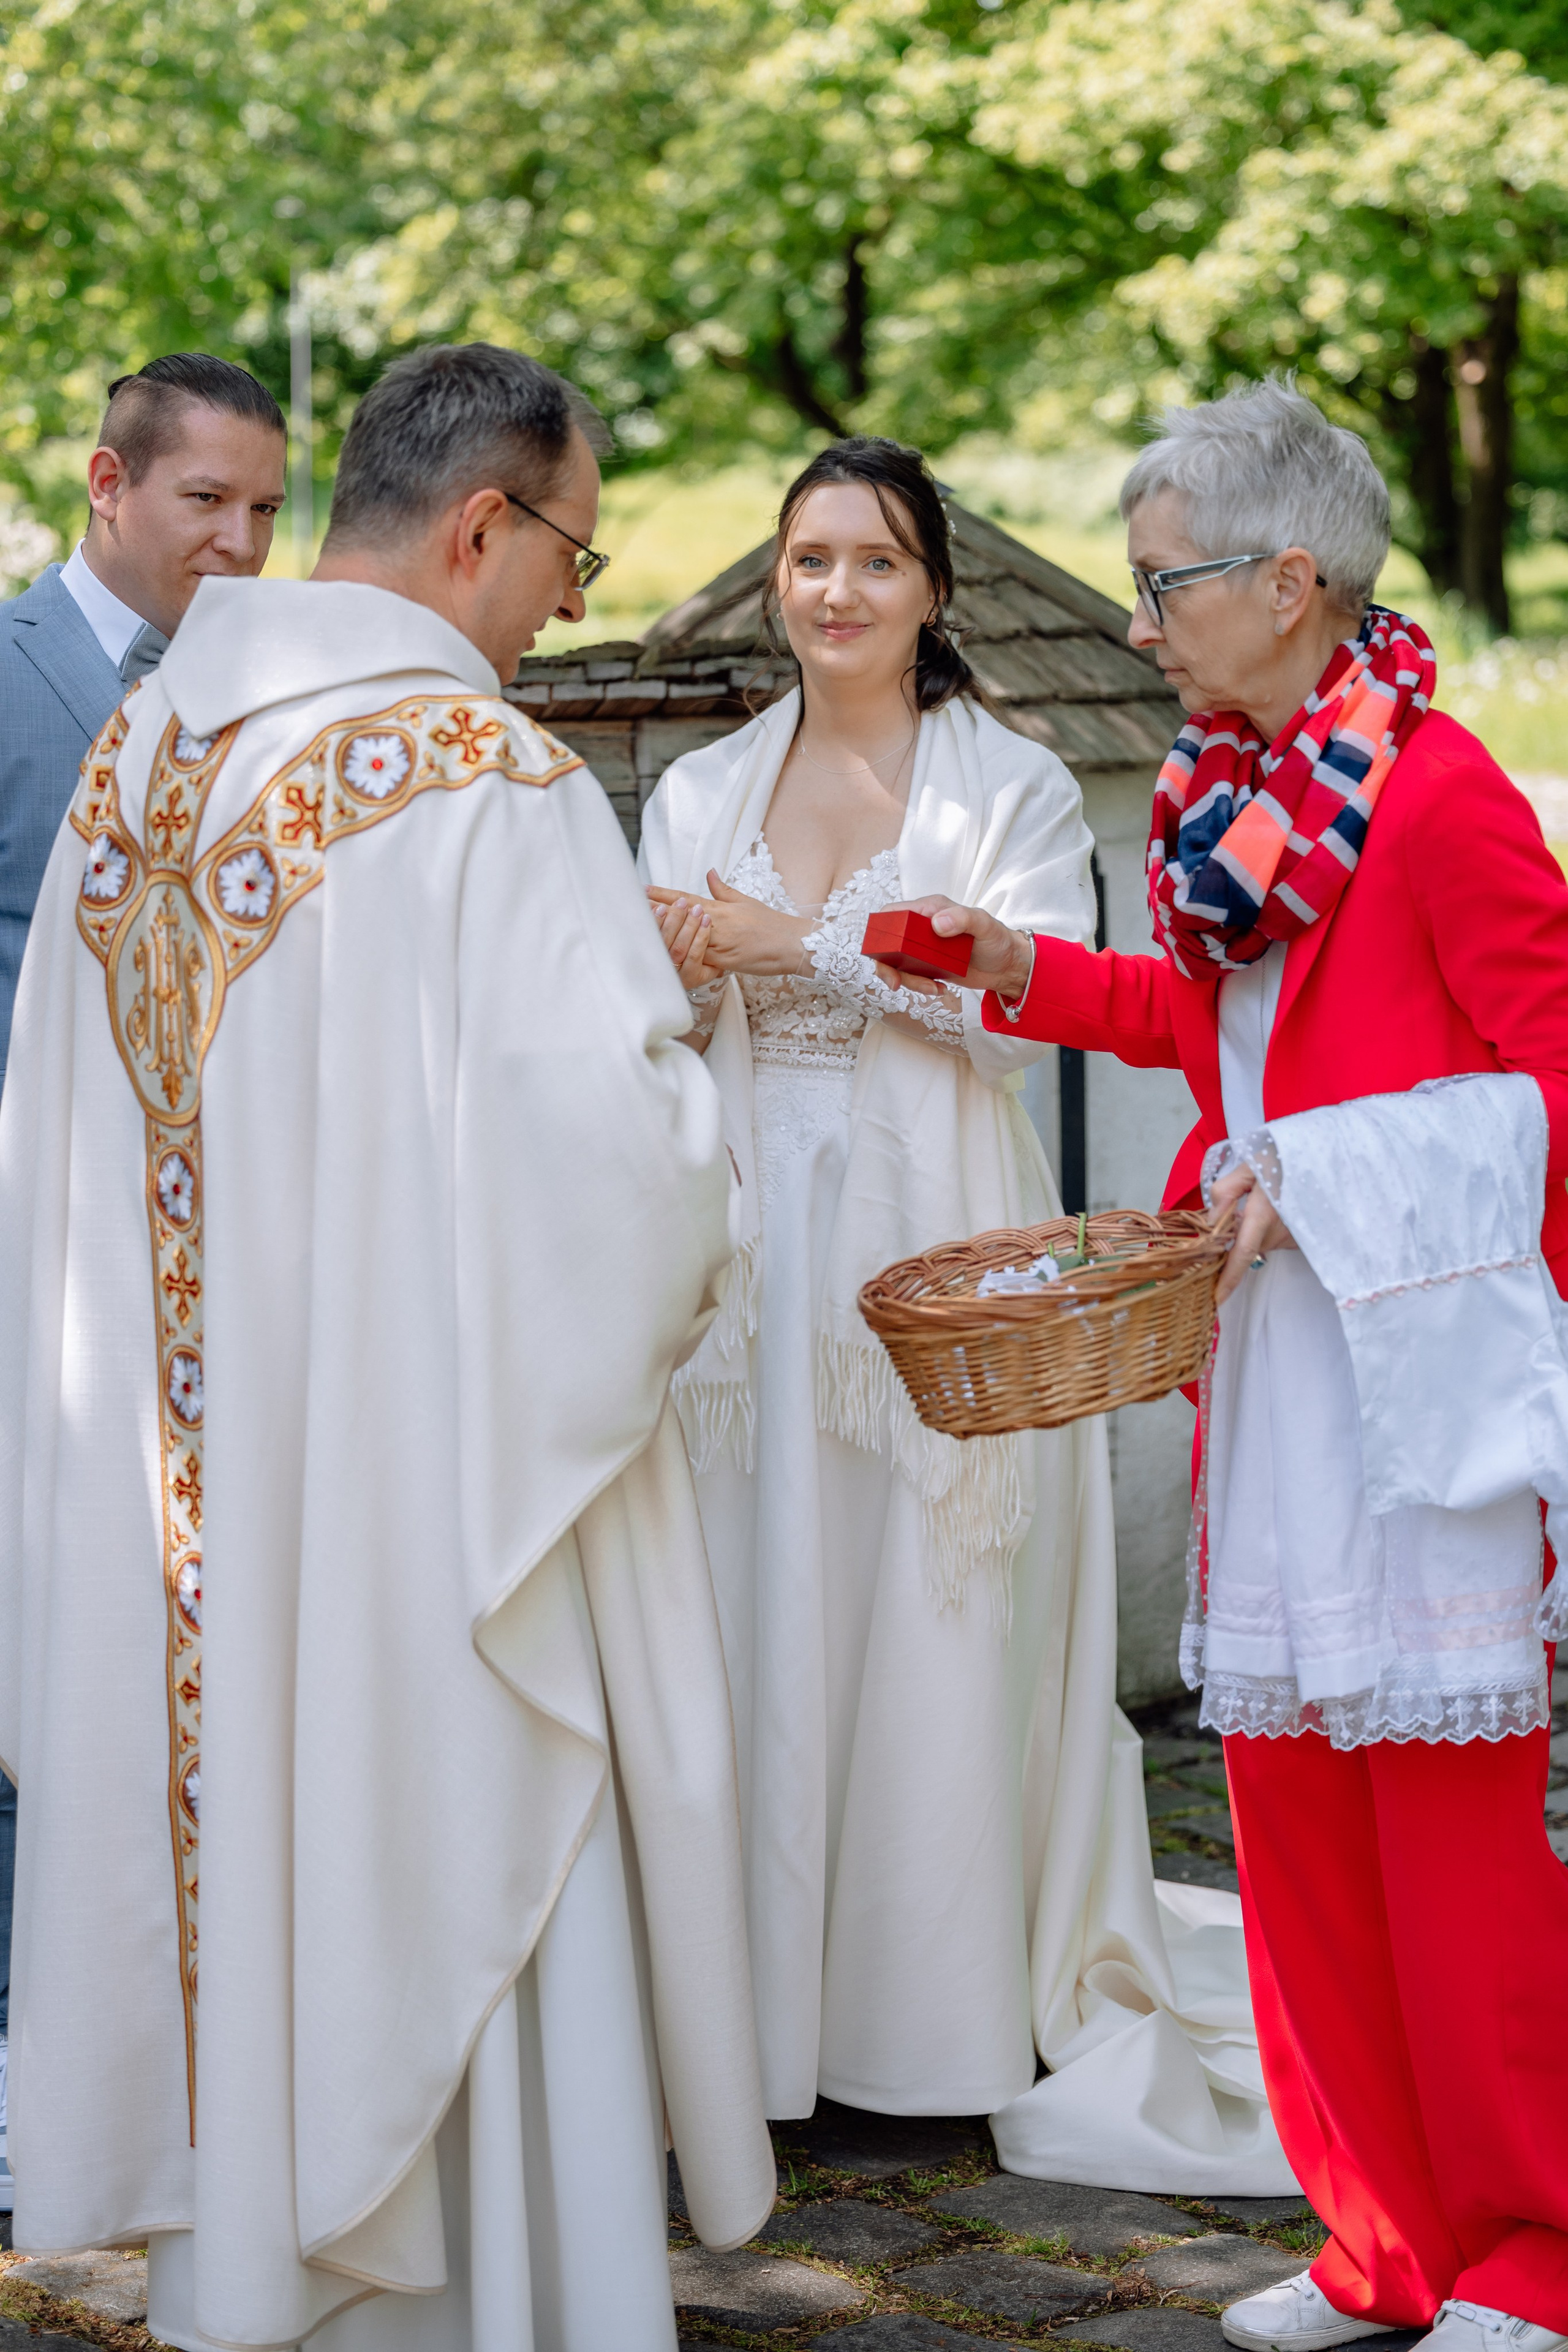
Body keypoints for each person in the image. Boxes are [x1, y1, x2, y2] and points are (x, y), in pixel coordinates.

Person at [0, 341, 773, 2350]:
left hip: (183, 1523)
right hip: (414, 1528)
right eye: (575, 564)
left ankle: (257, 2281)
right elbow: (627, 1176)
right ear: (482, 526)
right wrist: (719, 1156)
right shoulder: (487, 782)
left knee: (234, 1877)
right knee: (434, 1857)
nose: (562, 613)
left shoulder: (134, 762)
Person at [922, 380, 1568, 2352]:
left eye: (1163, 583)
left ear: (1291, 583)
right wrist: (1008, 966)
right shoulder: (1235, 802)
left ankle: (1530, 2253)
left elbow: (1548, 1082)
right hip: (1267, 1376)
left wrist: (1330, 1176)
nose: (1139, 623)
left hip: (1417, 1388)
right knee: (1287, 1830)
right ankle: (1376, 2240)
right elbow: (1217, 1048)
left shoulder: (1441, 795)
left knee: (1450, 1853)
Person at [639, 434, 1292, 2192]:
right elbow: (644, 1005)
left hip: (942, 1258)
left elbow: (1013, 1024)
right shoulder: (698, 790)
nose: (833, 591)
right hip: (751, 1264)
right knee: (756, 1603)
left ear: (932, 590)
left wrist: (777, 943)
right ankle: (759, 2022)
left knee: (935, 1614)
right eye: (806, 559)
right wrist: (694, 959)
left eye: (871, 561)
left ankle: (923, 2018)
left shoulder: (1003, 780)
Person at [0, 350, 285, 2214]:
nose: (246, 546)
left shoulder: (262, 703)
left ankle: (127, 2045)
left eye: (269, 510)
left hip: (190, 1278)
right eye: (208, 505)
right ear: (112, 485)